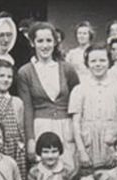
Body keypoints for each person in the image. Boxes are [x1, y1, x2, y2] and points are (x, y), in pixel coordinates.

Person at [17, 22, 80, 168]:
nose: (45, 46)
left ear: (55, 42)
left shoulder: (67, 69)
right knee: (43, 172)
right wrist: (31, 139)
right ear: (32, 43)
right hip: (41, 126)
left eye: (48, 40)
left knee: (68, 170)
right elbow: (27, 109)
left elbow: (77, 102)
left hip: (66, 126)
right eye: (40, 41)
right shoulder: (25, 72)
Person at [70, 43, 117, 169]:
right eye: (93, 61)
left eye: (102, 60)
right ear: (87, 63)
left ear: (109, 62)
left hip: (111, 143)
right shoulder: (79, 89)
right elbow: (76, 123)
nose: (98, 64)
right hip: (88, 144)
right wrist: (82, 151)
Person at [0, 59, 27, 180]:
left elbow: (21, 128)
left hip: (16, 148)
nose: (6, 80)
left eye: (9, 77)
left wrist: (22, 145)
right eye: (1, 76)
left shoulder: (17, 102)